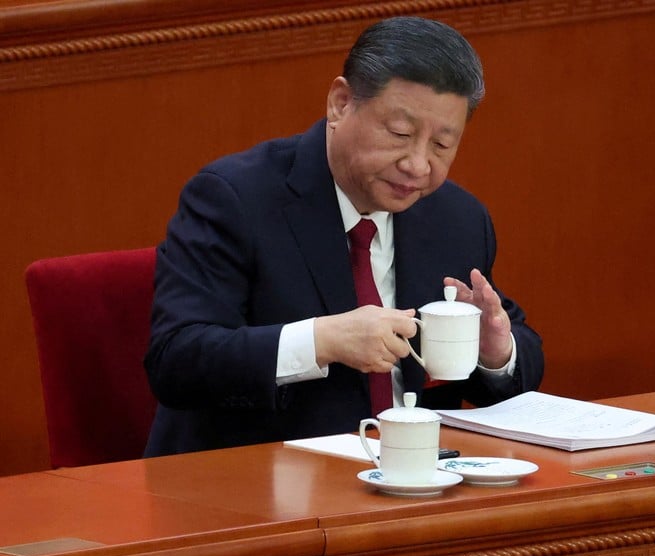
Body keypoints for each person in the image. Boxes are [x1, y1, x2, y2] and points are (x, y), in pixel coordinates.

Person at [143, 16, 544, 457]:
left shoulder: (456, 217)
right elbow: (177, 359)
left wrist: (495, 352)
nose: (417, 164)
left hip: (417, 485)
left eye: (441, 146)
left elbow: (515, 362)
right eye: (400, 134)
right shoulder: (234, 199)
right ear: (340, 103)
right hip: (258, 481)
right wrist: (323, 340)